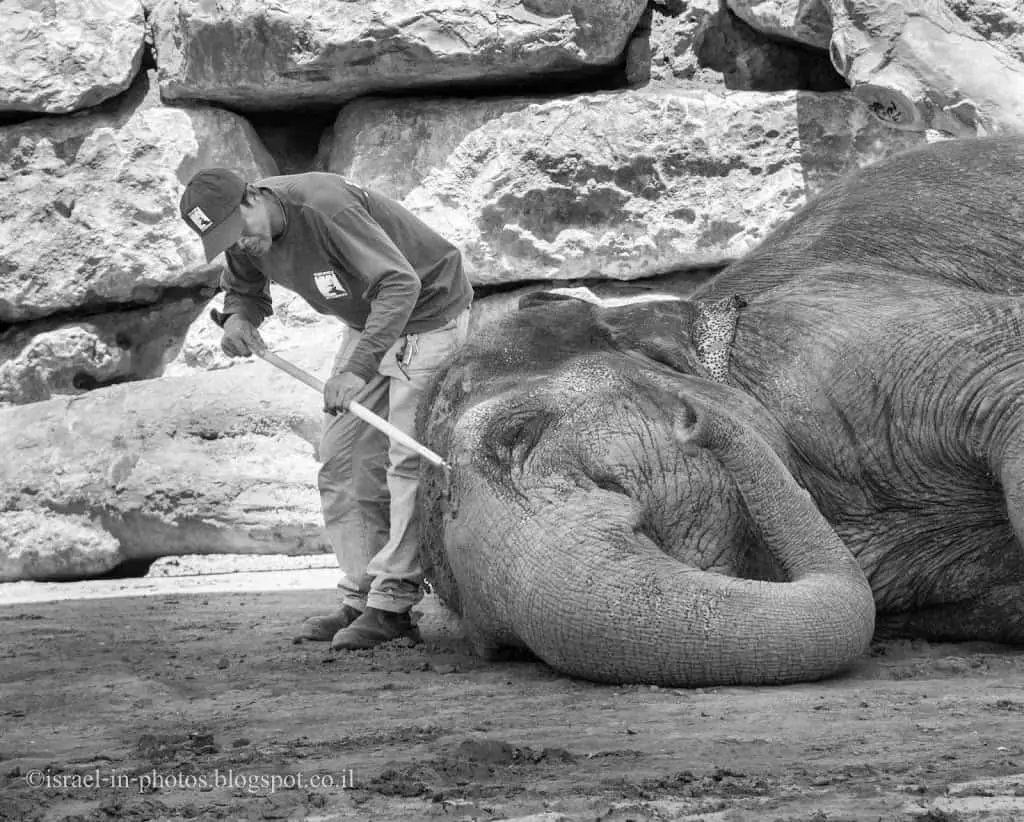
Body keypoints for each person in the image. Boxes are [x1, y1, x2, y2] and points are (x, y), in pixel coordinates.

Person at [179, 167, 473, 650]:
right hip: (370, 318)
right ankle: (361, 594)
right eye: (225, 238)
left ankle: (393, 602)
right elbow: (245, 289)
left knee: (406, 461)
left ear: (253, 197)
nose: (242, 244)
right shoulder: (243, 235)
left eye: (240, 229)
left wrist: (356, 370)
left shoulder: (324, 206)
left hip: (428, 312)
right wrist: (237, 318)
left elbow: (400, 284)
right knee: (340, 459)